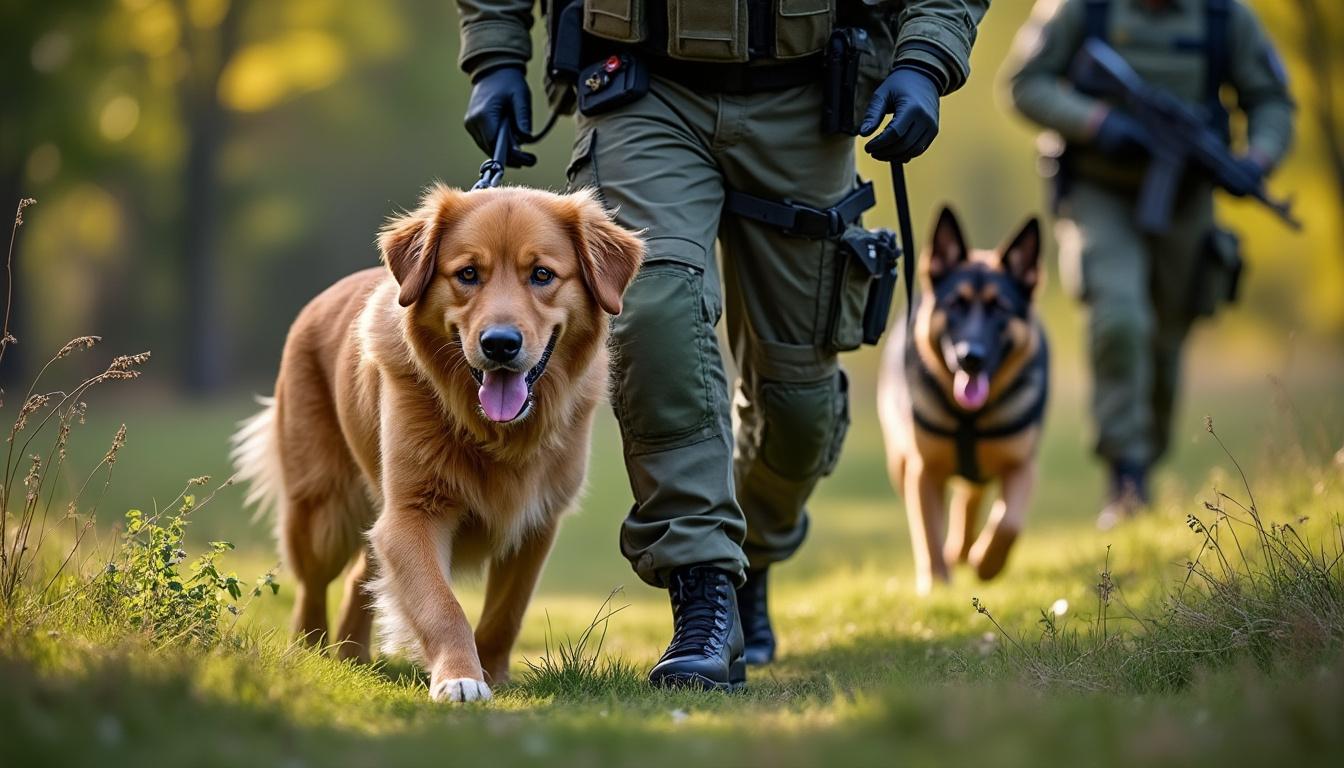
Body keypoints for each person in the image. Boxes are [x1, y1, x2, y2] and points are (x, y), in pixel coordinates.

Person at [457, 0, 988, 689]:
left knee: (800, 410)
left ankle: (752, 552)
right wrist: (496, 54)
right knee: (653, 311)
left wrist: (925, 59)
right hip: (642, 87)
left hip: (807, 92)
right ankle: (705, 597)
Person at [1003, 0, 1293, 528]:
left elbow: (1272, 100)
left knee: (1166, 336)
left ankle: (1144, 464)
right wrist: (1097, 123)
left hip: (1186, 198)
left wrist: (1257, 160)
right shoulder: (1079, 10)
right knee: (1120, 318)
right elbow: (1024, 84)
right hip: (1100, 192)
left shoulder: (1224, 17)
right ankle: (1126, 478)